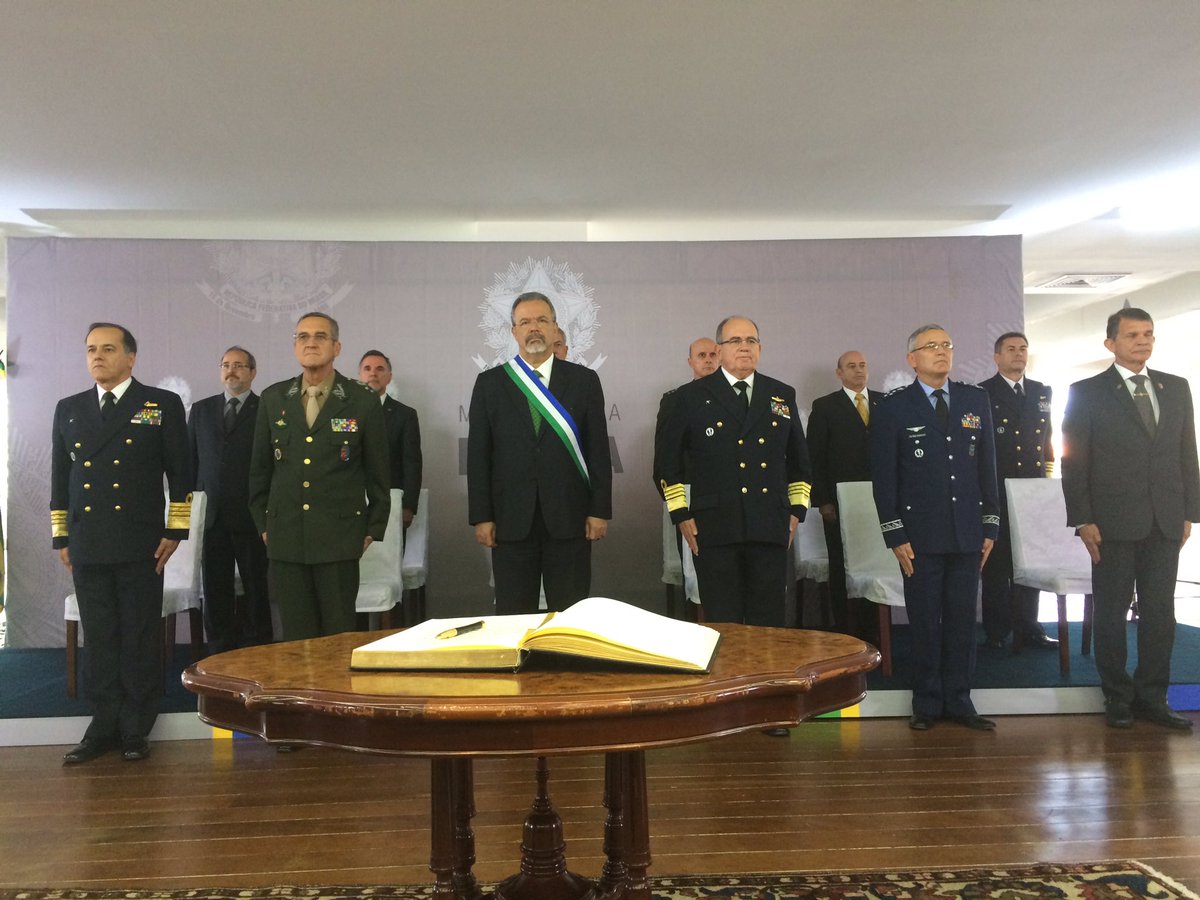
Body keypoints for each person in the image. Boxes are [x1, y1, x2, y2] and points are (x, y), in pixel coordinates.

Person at [52, 322, 192, 764]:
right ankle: (102, 725)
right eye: (91, 349)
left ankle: (135, 727)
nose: (97, 356)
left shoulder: (160, 404)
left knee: (138, 635)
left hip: (140, 541)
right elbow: (60, 477)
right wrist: (61, 535)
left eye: (108, 349)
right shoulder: (70, 408)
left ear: (130, 358)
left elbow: (182, 472)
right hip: (88, 540)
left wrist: (176, 530)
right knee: (100, 637)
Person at [1061, 307, 1199, 731]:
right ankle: (1117, 698)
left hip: (1165, 520)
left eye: (1148, 334)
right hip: (1111, 523)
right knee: (1111, 613)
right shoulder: (1087, 392)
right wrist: (1082, 519)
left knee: (1160, 614)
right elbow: (1074, 461)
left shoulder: (1175, 387)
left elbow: (1187, 452)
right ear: (1111, 343)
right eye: (1133, 335)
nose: (1142, 341)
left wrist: (1190, 513)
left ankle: (1153, 697)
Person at [870, 324, 999, 732]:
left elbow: (987, 468)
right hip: (919, 536)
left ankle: (960, 701)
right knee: (925, 621)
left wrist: (991, 525)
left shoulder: (975, 400)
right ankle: (926, 702)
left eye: (946, 345)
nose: (941, 351)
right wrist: (894, 533)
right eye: (931, 346)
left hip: (967, 532)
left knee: (962, 622)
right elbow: (884, 478)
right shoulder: (894, 406)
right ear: (912, 359)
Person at [659, 316, 811, 627]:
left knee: (768, 624)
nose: (744, 347)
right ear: (719, 350)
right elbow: (667, 463)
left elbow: (800, 461)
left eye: (751, 341)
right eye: (735, 341)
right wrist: (681, 514)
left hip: (769, 523)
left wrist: (797, 511)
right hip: (714, 526)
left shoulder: (781, 394)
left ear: (760, 349)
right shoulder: (689, 397)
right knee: (724, 622)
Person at [468, 291, 612, 614]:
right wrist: (482, 516)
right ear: (514, 332)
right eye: (525, 322)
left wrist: (599, 510)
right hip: (510, 521)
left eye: (542, 320)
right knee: (513, 616)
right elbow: (478, 456)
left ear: (555, 328)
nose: (534, 327)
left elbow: (599, 450)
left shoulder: (584, 381)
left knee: (571, 616)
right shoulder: (490, 384)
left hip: (570, 518)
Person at [248, 312, 390, 640]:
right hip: (285, 536)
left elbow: (379, 473)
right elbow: (259, 471)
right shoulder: (273, 398)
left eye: (320, 336)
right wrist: (264, 524)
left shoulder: (361, 400)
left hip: (339, 536)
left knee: (338, 638)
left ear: (337, 347)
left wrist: (373, 528)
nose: (310, 343)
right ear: (295, 346)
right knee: (296, 638)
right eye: (303, 336)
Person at [188, 346, 272, 653]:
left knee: (255, 586)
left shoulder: (266, 410)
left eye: (238, 365)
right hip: (212, 516)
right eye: (225, 365)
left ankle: (257, 647)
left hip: (252, 515)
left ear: (253, 372)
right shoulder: (201, 410)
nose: (231, 370)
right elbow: (191, 460)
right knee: (215, 587)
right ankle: (219, 648)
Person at [978, 332, 1057, 652]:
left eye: (1023, 348)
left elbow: (1047, 441)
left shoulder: (1041, 391)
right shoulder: (982, 392)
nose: (1018, 354)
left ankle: (1029, 626)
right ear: (997, 357)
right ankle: (997, 631)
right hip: (998, 489)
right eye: (1011, 349)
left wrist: (1046, 482)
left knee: (1030, 561)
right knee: (997, 563)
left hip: (1032, 490)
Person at [806, 350, 882, 639]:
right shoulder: (825, 406)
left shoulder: (885, 402)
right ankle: (845, 631)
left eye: (863, 365)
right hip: (839, 504)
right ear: (839, 373)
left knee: (878, 564)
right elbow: (815, 457)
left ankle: (876, 628)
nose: (858, 370)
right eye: (851, 366)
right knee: (842, 565)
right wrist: (823, 501)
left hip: (880, 502)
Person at [359, 350, 423, 529]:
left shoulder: (405, 415)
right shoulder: (344, 413)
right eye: (367, 369)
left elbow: (412, 464)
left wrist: (408, 506)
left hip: (390, 504)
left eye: (380, 369)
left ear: (389, 377)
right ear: (360, 376)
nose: (373, 373)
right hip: (349, 504)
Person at [652, 337, 720, 494]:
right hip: (690, 492)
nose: (708, 360)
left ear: (720, 359)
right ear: (690, 362)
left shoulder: (736, 398)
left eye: (713, 355)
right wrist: (674, 499)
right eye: (701, 355)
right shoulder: (676, 399)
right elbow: (665, 457)